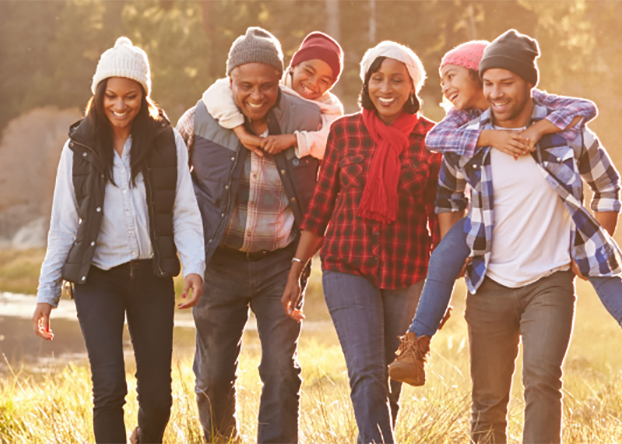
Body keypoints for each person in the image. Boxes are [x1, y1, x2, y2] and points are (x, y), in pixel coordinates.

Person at [389, 37, 622, 387]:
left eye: (452, 76)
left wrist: (539, 128)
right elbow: (436, 146)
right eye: (491, 83)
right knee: (443, 256)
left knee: (595, 255)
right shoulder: (460, 122)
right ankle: (416, 345)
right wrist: (489, 138)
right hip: (480, 223)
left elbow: (583, 108)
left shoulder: (540, 106)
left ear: (476, 74)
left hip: (548, 233)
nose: (445, 86)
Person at [31, 37, 205, 444]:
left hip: (152, 278)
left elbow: (184, 210)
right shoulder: (79, 146)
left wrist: (194, 266)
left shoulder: (166, 141)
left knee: (158, 399)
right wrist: (46, 292)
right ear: (99, 94)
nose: (120, 104)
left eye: (131, 95)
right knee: (109, 390)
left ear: (144, 94)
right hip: (97, 280)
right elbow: (62, 226)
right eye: (111, 95)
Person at [281, 41, 441, 444]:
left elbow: (439, 221)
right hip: (346, 266)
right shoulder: (344, 131)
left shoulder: (431, 139)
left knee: (392, 376)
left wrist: (438, 293)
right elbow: (321, 207)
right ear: (366, 82)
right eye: (377, 78)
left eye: (397, 80)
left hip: (407, 271)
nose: (385, 88)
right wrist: (296, 270)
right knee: (367, 372)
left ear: (412, 87)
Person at [176, 27, 322, 444]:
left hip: (281, 262)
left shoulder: (307, 119)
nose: (256, 95)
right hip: (218, 262)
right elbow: (171, 188)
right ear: (229, 83)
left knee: (279, 368)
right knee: (214, 372)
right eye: (245, 86)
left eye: (267, 85)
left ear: (280, 80)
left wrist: (300, 265)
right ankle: (222, 439)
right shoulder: (199, 119)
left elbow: (331, 181)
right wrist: (186, 259)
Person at [201, 31, 344, 161]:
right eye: (309, 72)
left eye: (324, 81)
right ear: (293, 66)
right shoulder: (271, 83)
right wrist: (241, 132)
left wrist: (294, 139)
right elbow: (217, 91)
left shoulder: (328, 108)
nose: (313, 83)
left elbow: (335, 141)